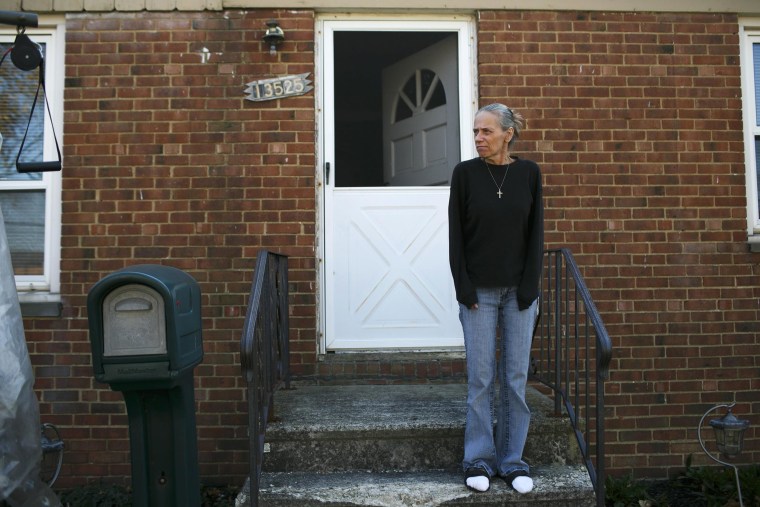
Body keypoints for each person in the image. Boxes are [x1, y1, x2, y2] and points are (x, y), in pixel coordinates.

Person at [448, 103, 544, 494]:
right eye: (475, 132)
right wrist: (464, 288)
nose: (478, 139)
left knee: (516, 378)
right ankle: (479, 460)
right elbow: (456, 236)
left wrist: (529, 287)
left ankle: (512, 461)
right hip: (478, 295)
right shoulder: (466, 174)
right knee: (481, 378)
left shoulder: (528, 173)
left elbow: (535, 233)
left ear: (508, 133)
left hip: (519, 293)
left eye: (486, 132)